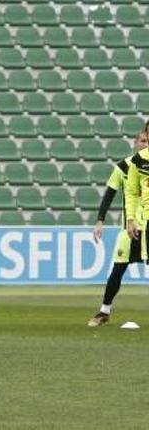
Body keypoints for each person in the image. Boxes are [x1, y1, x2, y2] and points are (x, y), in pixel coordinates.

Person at [87, 129, 148, 327]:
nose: (145, 144)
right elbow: (110, 194)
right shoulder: (123, 167)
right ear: (136, 143)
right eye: (142, 141)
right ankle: (104, 311)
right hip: (129, 228)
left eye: (147, 141)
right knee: (118, 269)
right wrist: (100, 220)